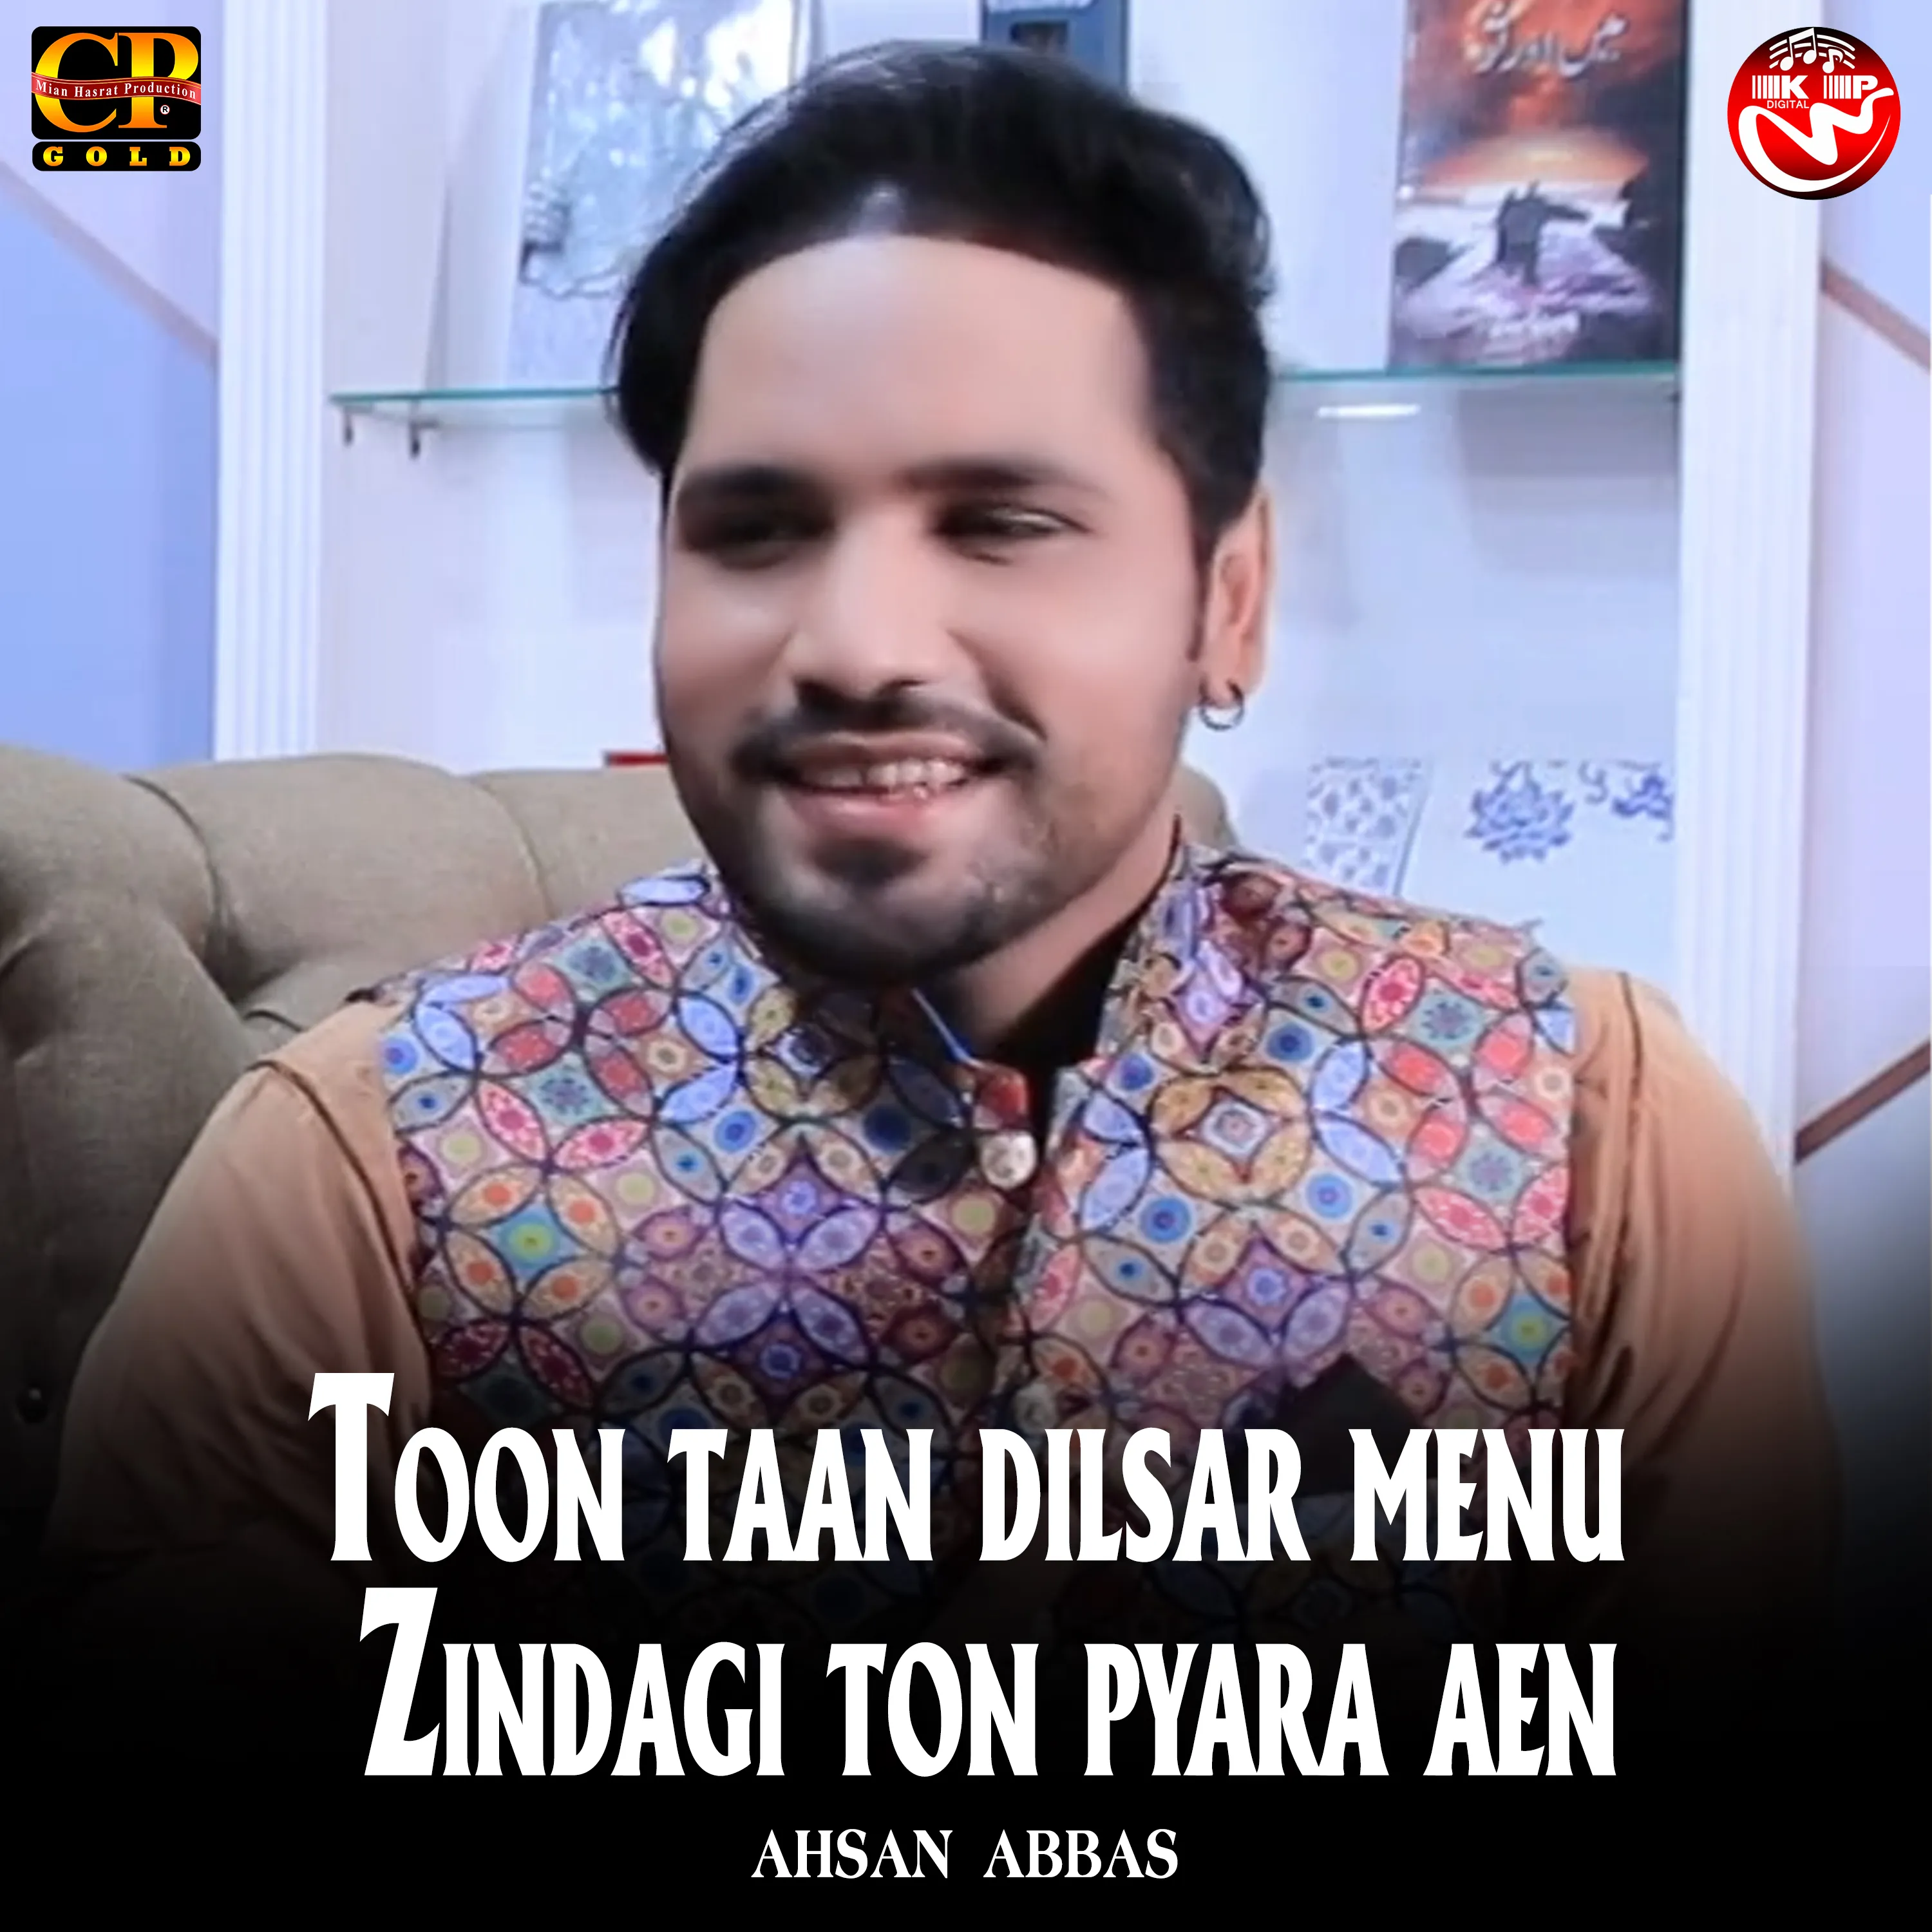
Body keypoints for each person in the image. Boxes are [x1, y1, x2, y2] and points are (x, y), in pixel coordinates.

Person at [45, 44, 1834, 1764]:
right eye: (756, 530)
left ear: (1227, 597)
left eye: (999, 523)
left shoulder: (1588, 1131)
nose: (856, 645)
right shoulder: (367, 1167)